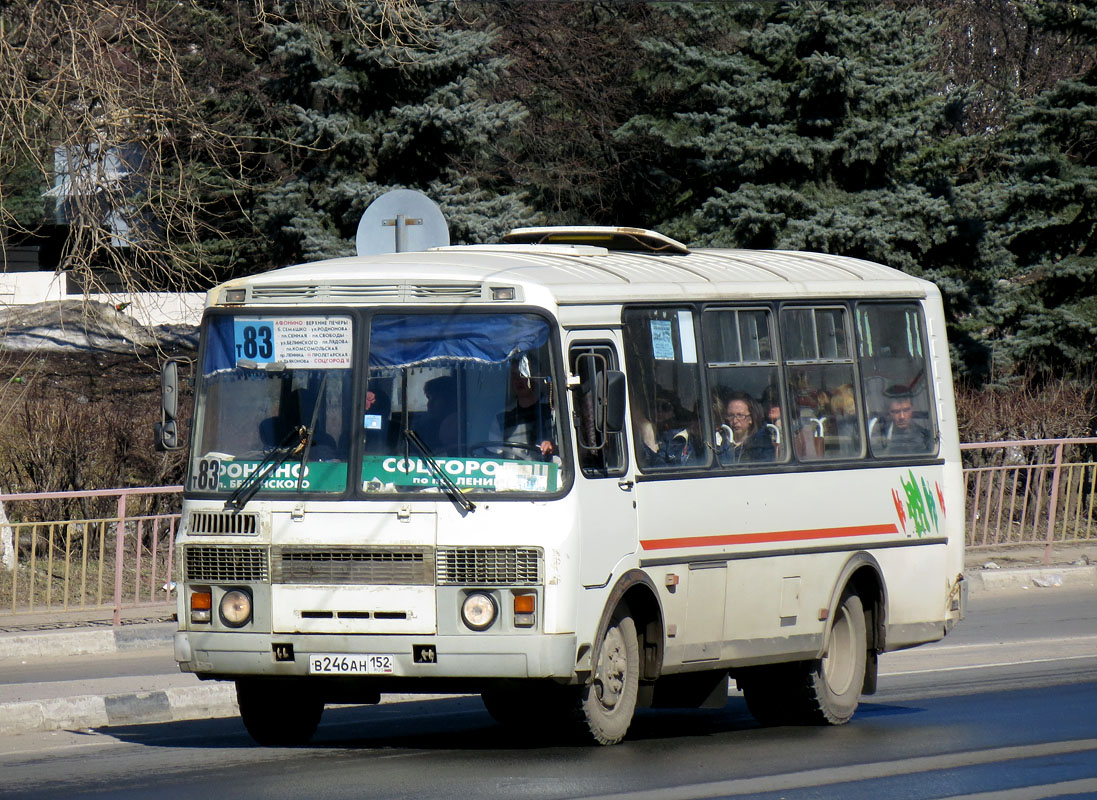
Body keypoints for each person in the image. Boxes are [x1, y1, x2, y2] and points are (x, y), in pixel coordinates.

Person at [497, 361, 556, 458]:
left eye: (523, 374)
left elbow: (566, 448)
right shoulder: (501, 417)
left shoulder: (553, 410)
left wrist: (552, 447)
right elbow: (493, 456)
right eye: (514, 375)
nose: (518, 380)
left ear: (536, 377)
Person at [638, 390, 694, 466]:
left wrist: (649, 440)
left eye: (665, 407)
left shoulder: (679, 438)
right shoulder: (639, 434)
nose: (659, 412)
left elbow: (664, 468)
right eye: (655, 406)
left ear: (674, 412)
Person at [717, 391, 774, 465]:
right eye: (730, 415)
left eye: (740, 415)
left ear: (751, 418)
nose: (735, 421)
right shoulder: (719, 443)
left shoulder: (762, 445)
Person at [873, 386, 933, 455]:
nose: (902, 417)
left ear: (912, 409)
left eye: (906, 410)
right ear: (888, 412)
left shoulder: (925, 438)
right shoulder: (880, 436)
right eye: (896, 412)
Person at [414, 375, 458, 452]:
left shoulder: (460, 423)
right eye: (429, 398)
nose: (429, 404)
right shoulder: (424, 425)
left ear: (450, 399)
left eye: (436, 398)